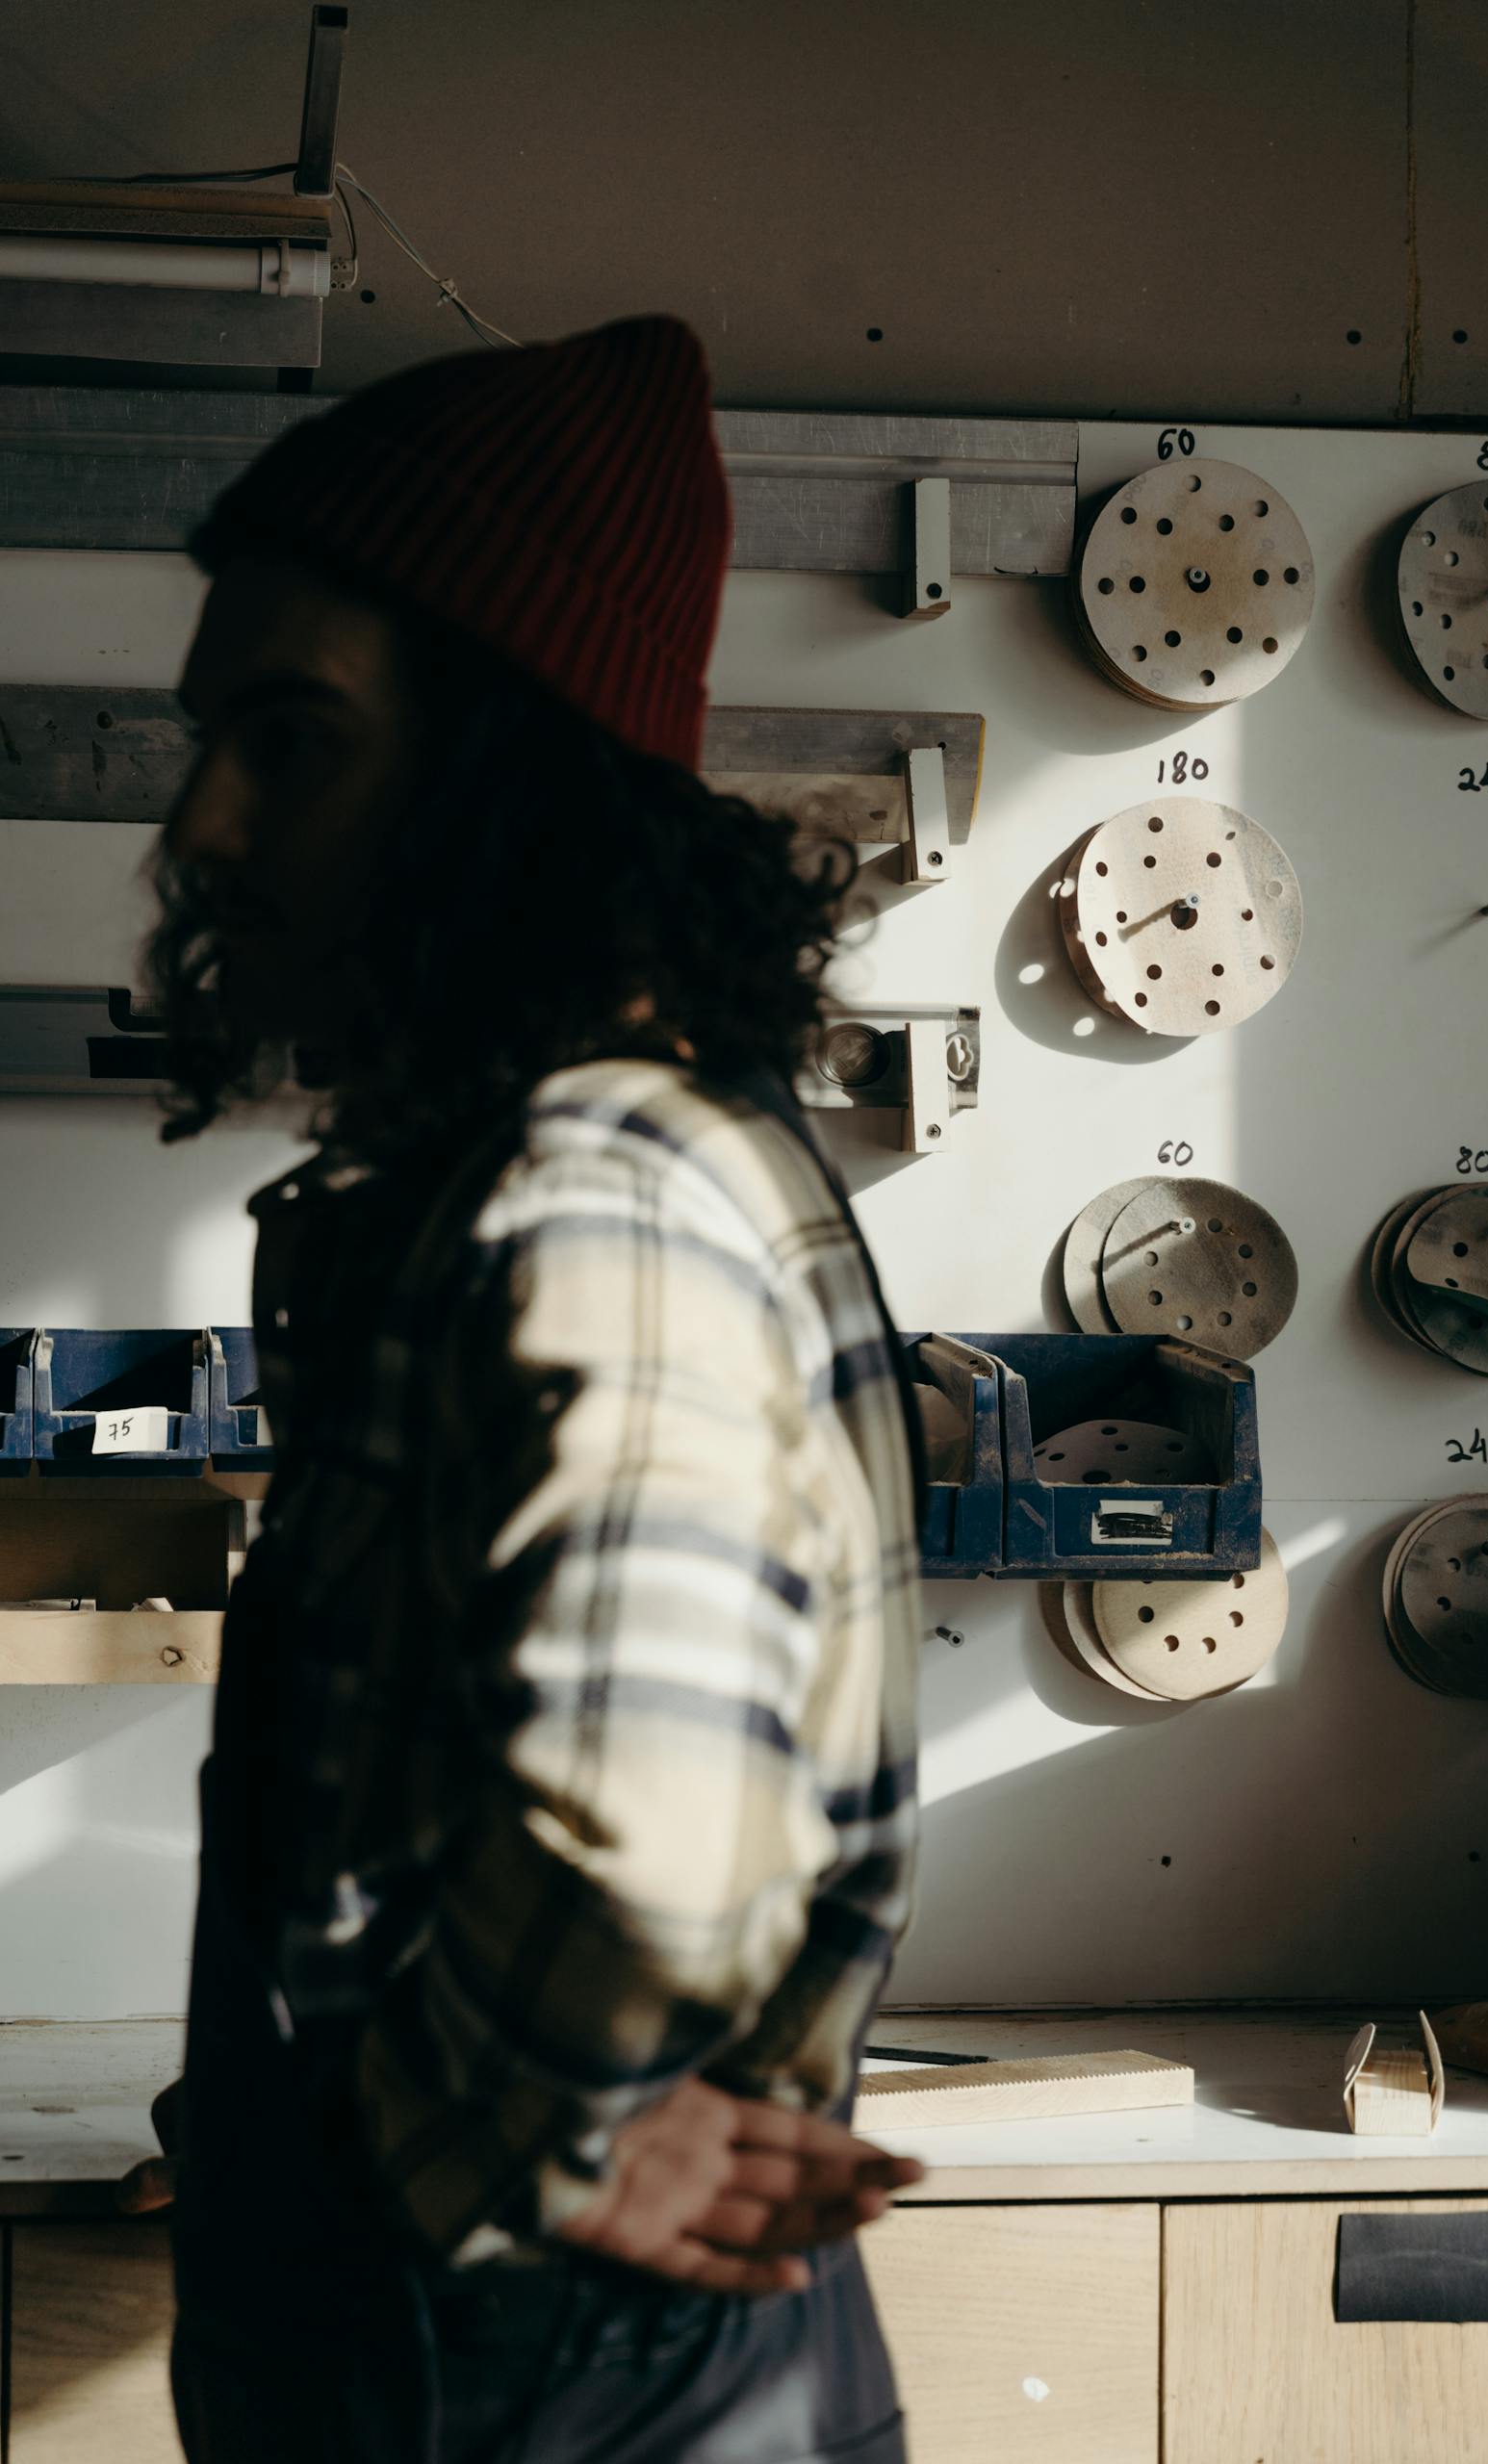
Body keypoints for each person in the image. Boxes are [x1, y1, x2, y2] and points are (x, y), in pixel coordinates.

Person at [120, 314, 927, 2463]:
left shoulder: (593, 1199)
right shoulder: (605, 1159)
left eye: (289, 741)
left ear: (505, 781)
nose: (203, 822)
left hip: (532, 2394)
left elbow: (653, 1841)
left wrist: (497, 2142)